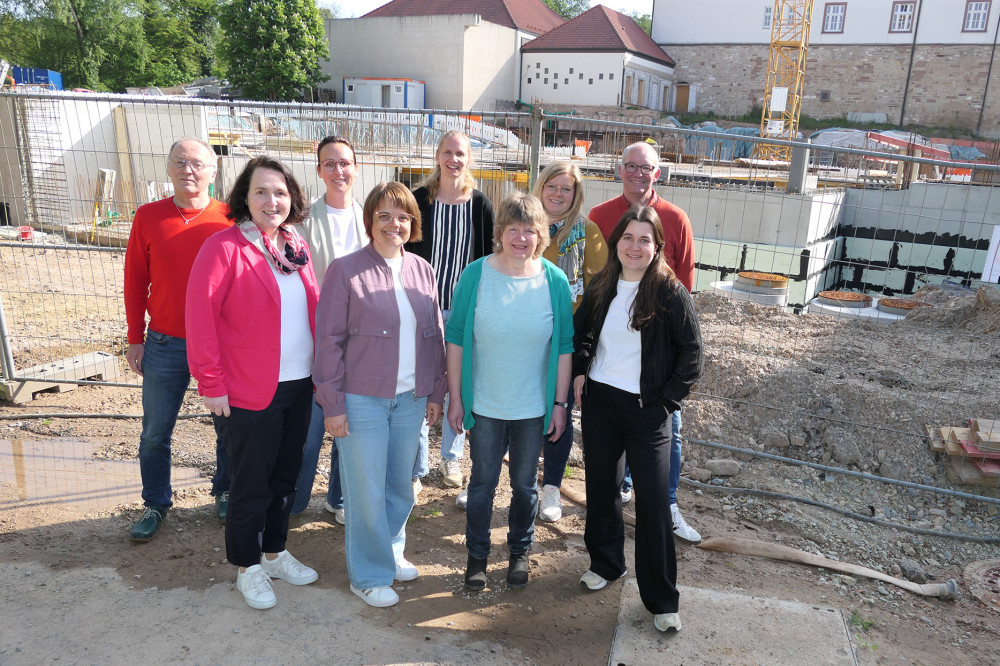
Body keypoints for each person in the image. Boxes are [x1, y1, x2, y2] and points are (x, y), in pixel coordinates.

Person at [186, 156, 321, 610]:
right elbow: (200, 317)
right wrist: (211, 382)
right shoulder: (224, 247)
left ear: (292, 199)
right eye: (261, 191)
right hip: (247, 390)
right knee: (250, 483)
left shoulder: (294, 246)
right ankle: (248, 566)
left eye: (280, 192)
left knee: (286, 477)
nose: (272, 200)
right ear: (245, 196)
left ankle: (276, 551)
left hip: (298, 384)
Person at [313, 181, 446, 608]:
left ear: (414, 223)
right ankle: (367, 575)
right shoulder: (346, 269)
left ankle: (390, 550)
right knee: (366, 490)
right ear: (369, 220)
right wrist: (332, 405)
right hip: (362, 400)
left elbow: (434, 337)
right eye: (385, 215)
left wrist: (435, 392)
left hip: (410, 399)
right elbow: (328, 341)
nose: (395, 224)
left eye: (404, 216)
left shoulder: (422, 270)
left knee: (400, 485)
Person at [572, 206, 702, 633]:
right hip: (601, 403)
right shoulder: (602, 286)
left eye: (644, 239)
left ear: (657, 246)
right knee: (602, 489)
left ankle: (662, 599)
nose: (635, 246)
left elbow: (692, 356)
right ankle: (607, 564)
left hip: (649, 410)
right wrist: (579, 371)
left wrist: (665, 404)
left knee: (651, 503)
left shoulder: (669, 292)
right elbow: (581, 334)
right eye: (628, 238)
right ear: (616, 243)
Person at [446, 192, 573, 590]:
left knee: (524, 485)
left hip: (532, 408)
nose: (521, 238)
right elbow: (456, 338)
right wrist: (455, 396)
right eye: (513, 229)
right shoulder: (475, 275)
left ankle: (519, 552)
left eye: (530, 230)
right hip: (484, 404)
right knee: (481, 482)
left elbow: (565, 346)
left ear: (541, 235)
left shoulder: (554, 280)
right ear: (500, 233)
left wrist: (559, 404)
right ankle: (477, 556)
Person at [587, 141, 701, 543]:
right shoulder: (599, 217)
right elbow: (594, 285)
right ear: (620, 170)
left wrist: (668, 378)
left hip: (656, 360)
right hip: (609, 362)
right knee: (608, 452)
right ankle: (619, 493)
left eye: (646, 168)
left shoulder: (676, 219)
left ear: (658, 172)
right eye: (630, 166)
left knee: (669, 430)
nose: (638, 174)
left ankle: (666, 503)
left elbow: (683, 288)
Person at [124, 137, 232, 542]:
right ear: (168, 168)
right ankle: (155, 503)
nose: (189, 170)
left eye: (197, 163)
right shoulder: (148, 217)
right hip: (165, 342)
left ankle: (225, 492)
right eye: (180, 162)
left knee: (227, 426)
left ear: (213, 171)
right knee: (155, 431)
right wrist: (136, 338)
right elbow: (135, 280)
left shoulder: (230, 217)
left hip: (219, 345)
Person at [406, 130, 494, 502]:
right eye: (447, 152)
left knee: (458, 383)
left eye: (460, 153)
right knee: (422, 382)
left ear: (469, 159)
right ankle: (416, 465)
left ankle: (452, 459)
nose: (453, 159)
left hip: (463, 310)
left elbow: (490, 256)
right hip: (421, 305)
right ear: (437, 156)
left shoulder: (480, 204)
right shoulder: (418, 199)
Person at [290, 136, 369, 524]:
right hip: (318, 338)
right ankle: (295, 499)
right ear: (319, 169)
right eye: (329, 164)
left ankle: (339, 499)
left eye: (345, 163)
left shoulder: (370, 218)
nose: (339, 171)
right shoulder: (303, 221)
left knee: (349, 427)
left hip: (361, 341)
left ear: (356, 168)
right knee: (311, 429)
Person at [532, 162, 608, 523]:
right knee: (512, 407)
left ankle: (551, 487)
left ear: (576, 195)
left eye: (567, 189)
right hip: (524, 331)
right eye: (553, 186)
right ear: (541, 186)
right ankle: (503, 480)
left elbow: (600, 290)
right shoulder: (523, 223)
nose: (558, 194)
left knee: (559, 408)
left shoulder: (589, 233)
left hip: (568, 333)